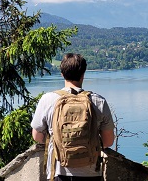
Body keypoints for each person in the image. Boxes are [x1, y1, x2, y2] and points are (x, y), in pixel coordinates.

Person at [31, 53, 115, 181]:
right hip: (91, 173)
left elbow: (37, 137)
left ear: (62, 74)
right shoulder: (98, 101)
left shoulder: (48, 99)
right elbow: (108, 141)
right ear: (83, 74)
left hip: (59, 171)